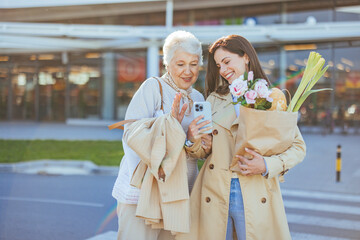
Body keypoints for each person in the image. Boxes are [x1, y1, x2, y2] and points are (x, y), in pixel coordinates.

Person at [176, 35, 306, 240]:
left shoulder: (271, 97)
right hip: (215, 190)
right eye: (219, 65)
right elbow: (204, 151)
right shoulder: (215, 99)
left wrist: (266, 165)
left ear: (245, 57)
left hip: (255, 190)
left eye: (227, 62)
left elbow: (298, 147)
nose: (223, 70)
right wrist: (193, 139)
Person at [111, 30, 212, 240]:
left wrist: (195, 140)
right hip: (143, 193)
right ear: (167, 63)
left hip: (178, 193)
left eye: (193, 64)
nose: (188, 71)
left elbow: (197, 151)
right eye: (180, 64)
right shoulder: (153, 87)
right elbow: (132, 134)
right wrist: (171, 125)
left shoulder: (198, 97)